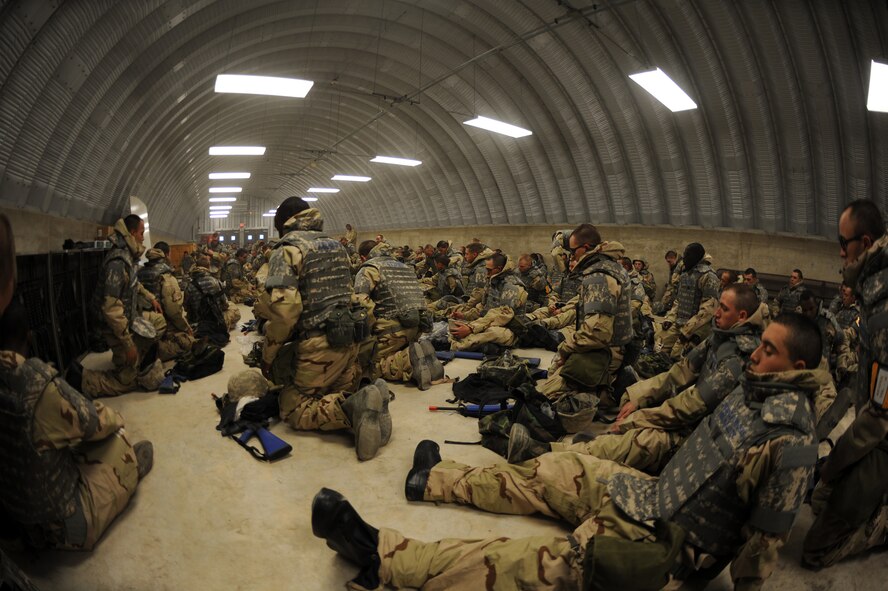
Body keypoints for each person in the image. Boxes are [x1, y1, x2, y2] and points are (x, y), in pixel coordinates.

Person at [313, 313, 823, 591]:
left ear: (796, 364)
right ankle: (437, 480)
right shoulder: (753, 390)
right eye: (760, 344)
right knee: (562, 465)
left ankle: (387, 558)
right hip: (655, 498)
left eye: (769, 350)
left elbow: (761, 548)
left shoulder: (791, 441)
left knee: (531, 562)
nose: (754, 352)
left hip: (669, 550)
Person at [510, 284, 764, 469]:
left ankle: (546, 452)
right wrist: (639, 398)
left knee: (639, 440)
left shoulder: (739, 356)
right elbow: (679, 372)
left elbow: (693, 404)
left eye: (723, 308)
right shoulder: (721, 337)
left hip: (702, 437)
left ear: (741, 317)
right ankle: (590, 447)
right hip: (691, 419)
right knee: (630, 413)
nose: (716, 312)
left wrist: (639, 419)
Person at [0, 300, 152, 550]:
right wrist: (116, 419)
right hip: (60, 525)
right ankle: (132, 470)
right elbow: (96, 423)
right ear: (29, 337)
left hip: (11, 513)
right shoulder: (35, 385)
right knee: (117, 443)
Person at [261, 197, 391, 461]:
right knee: (329, 393)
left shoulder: (287, 250)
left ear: (281, 224)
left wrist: (268, 355)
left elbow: (285, 315)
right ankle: (365, 395)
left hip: (317, 349)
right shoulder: (336, 245)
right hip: (348, 343)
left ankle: (350, 410)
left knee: (291, 408)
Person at [802, 199, 888, 569]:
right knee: (818, 497)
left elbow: (880, 418)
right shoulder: (875, 287)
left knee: (815, 550)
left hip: (884, 434)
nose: (839, 251)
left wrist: (833, 465)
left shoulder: (883, 306)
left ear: (865, 242)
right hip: (877, 422)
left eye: (843, 242)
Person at [533, 224, 631, 417]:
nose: (570, 256)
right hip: (608, 349)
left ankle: (607, 392)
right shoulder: (610, 267)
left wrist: (566, 348)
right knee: (554, 371)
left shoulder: (599, 276)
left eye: (572, 251)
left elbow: (597, 333)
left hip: (604, 354)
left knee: (542, 402)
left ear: (585, 249)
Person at [76, 215, 166, 398]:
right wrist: (128, 343)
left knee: (156, 328)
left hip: (127, 318)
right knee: (129, 379)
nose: (142, 237)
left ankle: (125, 358)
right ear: (132, 233)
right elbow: (111, 309)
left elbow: (134, 283)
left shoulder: (127, 258)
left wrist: (150, 297)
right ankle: (83, 379)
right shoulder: (117, 262)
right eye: (141, 233)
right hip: (112, 325)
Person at [353, 240, 443, 390]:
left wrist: (359, 339)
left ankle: (407, 363)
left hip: (390, 333)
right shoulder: (404, 267)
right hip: (416, 329)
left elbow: (362, 308)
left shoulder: (369, 269)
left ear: (363, 257)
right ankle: (414, 352)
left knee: (363, 367)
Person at [448, 252, 527, 353]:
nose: (486, 273)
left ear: (498, 269)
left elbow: (502, 315)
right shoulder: (492, 282)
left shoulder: (512, 286)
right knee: (458, 327)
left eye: (489, 270)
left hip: (509, 330)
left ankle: (458, 346)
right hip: (488, 323)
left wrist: (471, 328)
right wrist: (464, 316)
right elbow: (482, 308)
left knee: (491, 332)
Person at [657, 243, 719, 359]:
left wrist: (686, 332)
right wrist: (670, 318)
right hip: (679, 321)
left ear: (697, 257)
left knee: (676, 355)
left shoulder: (709, 277)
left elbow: (708, 311)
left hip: (697, 327)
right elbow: (679, 300)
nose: (684, 258)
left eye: (687, 255)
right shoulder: (685, 274)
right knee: (660, 344)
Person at [137, 242, 194, 361]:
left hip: (139, 320)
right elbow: (173, 310)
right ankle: (152, 352)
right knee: (189, 342)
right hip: (159, 323)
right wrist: (186, 328)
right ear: (167, 255)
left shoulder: (140, 272)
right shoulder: (165, 275)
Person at [184, 254, 239, 344]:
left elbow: (186, 308)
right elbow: (225, 304)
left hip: (196, 324)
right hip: (214, 322)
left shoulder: (189, 285)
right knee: (234, 309)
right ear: (208, 266)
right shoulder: (215, 282)